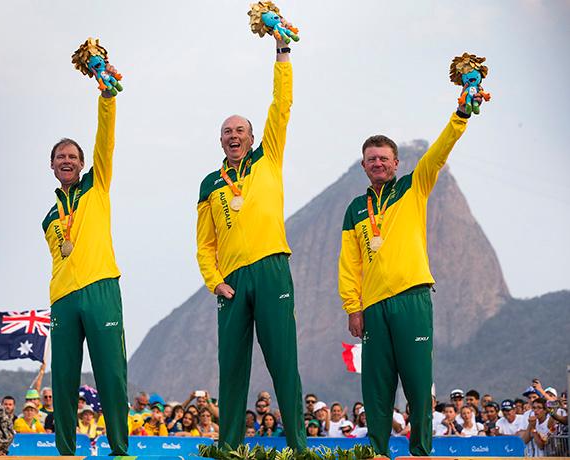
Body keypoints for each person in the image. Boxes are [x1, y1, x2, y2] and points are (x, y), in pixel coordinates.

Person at [338, 76, 481, 456]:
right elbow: (349, 263)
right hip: (373, 306)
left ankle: (420, 451)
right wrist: (353, 306)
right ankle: (377, 451)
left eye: (384, 158)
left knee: (418, 383)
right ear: (363, 165)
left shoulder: (414, 186)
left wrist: (461, 114)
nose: (378, 163)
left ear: (396, 162)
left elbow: (439, 151)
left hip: (412, 298)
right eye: (371, 159)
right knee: (376, 386)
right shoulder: (355, 209)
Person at [195, 32, 305, 452]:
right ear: (220, 140)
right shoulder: (210, 184)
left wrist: (281, 50)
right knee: (232, 369)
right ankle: (228, 449)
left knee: (283, 363)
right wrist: (214, 281)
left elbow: (282, 104)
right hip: (233, 282)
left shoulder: (269, 157)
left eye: (240, 130)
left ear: (254, 136)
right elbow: (204, 244)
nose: (233, 136)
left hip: (273, 268)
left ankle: (298, 445)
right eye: (227, 132)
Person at [43, 75, 128, 456]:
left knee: (111, 374)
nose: (67, 161)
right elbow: (61, 255)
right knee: (62, 379)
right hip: (63, 297)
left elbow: (104, 140)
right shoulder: (49, 217)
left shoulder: (97, 183)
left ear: (81, 163)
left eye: (73, 157)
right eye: (61, 157)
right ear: (52, 165)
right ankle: (65, 451)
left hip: (100, 289)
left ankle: (119, 449)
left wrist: (106, 96)